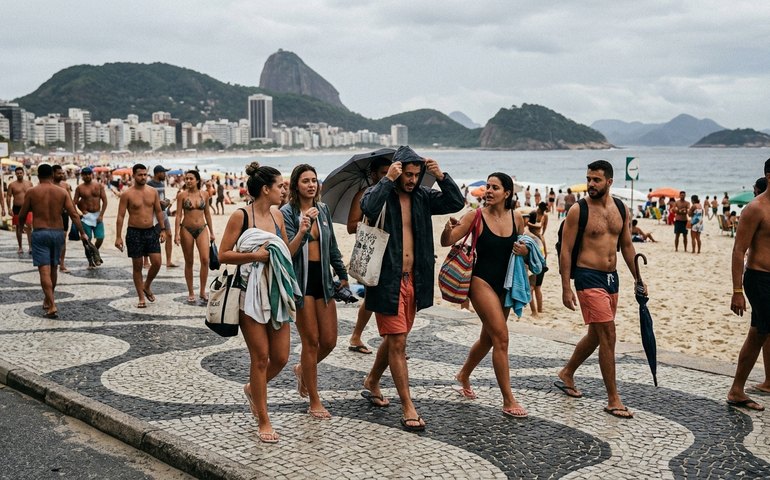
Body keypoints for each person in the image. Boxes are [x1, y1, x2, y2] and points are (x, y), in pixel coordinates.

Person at [360, 146, 464, 432]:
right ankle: (408, 406)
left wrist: (441, 176)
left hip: (413, 280)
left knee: (397, 338)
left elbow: (456, 201)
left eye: (417, 175)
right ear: (397, 171)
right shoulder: (383, 195)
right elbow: (366, 207)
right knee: (398, 342)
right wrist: (386, 181)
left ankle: (371, 380)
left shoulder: (422, 197)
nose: (413, 180)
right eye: (408, 174)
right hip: (387, 280)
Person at [556, 160, 646, 419]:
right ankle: (613, 399)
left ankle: (567, 373)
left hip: (611, 278)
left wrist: (638, 278)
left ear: (609, 181)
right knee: (608, 333)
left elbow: (627, 245)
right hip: (587, 276)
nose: (591, 184)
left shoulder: (620, 208)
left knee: (597, 335)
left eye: (596, 180)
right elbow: (566, 250)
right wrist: (565, 287)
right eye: (589, 179)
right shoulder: (578, 210)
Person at [441, 172, 529, 417]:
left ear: (507, 193)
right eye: (488, 186)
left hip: (506, 283)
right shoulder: (475, 216)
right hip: (481, 281)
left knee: (489, 338)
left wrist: (523, 250)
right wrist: (447, 230)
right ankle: (508, 399)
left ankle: (463, 375)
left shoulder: (517, 218)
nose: (489, 191)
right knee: (501, 337)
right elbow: (447, 241)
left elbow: (524, 247)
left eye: (495, 187)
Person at [217, 162, 293, 443]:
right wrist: (255, 256)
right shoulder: (241, 216)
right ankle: (263, 418)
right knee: (260, 358)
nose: (283, 190)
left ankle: (252, 389)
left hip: (276, 292)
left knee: (282, 357)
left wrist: (303, 233)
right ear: (265, 189)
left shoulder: (277, 216)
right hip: (249, 294)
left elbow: (285, 252)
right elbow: (223, 254)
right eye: (279, 186)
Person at [281, 164, 349, 419]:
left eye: (314, 180)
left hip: (323, 279)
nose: (311, 184)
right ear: (295, 185)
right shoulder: (286, 213)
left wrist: (341, 273)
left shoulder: (323, 209)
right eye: (306, 180)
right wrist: (303, 228)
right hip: (301, 281)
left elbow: (331, 245)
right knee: (310, 342)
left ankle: (302, 370)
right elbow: (288, 251)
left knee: (329, 341)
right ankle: (314, 399)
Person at [17, 164, 88, 318]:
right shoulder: (62, 192)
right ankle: (49, 299)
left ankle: (52, 304)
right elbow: (74, 214)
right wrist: (83, 233)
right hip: (57, 233)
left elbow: (22, 214)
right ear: (51, 175)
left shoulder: (32, 192)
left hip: (40, 232)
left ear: (38, 175)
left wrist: (21, 228)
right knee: (54, 268)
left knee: (44, 270)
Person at [727, 159, 770, 411]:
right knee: (758, 332)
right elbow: (738, 250)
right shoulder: (756, 208)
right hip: (759, 278)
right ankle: (736, 390)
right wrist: (737, 291)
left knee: (763, 331)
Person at [346, 157, 392, 354]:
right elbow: (350, 226)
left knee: (380, 297)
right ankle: (363, 337)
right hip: (373, 252)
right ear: (373, 174)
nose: (389, 176)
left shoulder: (396, 193)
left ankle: (390, 340)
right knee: (375, 297)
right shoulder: (363, 194)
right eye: (384, 173)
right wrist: (369, 220)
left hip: (392, 250)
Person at [115, 164, 166, 308]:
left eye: (145, 174)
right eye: (140, 175)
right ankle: (141, 297)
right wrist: (118, 236)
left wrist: (162, 229)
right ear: (134, 176)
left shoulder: (153, 192)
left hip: (150, 230)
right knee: (137, 266)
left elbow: (158, 211)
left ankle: (147, 285)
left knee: (157, 262)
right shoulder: (127, 194)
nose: (143, 177)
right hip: (134, 232)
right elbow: (120, 216)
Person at [174, 170, 215, 305]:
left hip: (202, 228)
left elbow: (207, 213)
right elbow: (178, 215)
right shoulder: (182, 195)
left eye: (191, 178)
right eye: (186, 179)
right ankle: (191, 291)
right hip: (186, 229)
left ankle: (202, 291)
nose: (188, 181)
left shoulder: (205, 194)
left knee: (205, 259)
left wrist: (212, 231)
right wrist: (176, 233)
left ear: (197, 180)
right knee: (189, 261)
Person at [73, 167, 108, 268]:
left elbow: (105, 201)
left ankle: (94, 253)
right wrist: (79, 213)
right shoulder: (80, 188)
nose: (87, 176)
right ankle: (90, 261)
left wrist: (101, 214)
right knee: (86, 241)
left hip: (97, 215)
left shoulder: (99, 186)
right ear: (82, 176)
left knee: (100, 238)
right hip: (86, 217)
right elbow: (73, 203)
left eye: (89, 174)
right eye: (85, 174)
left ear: (92, 175)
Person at [147, 166, 177, 268]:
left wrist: (166, 201)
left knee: (169, 235)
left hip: (163, 212)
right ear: (158, 173)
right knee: (150, 237)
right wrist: (157, 202)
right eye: (163, 172)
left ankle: (168, 261)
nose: (165, 175)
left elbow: (162, 198)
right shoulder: (149, 184)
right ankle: (145, 261)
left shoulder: (161, 184)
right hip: (153, 214)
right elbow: (146, 198)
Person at [7, 166, 33, 254]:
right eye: (17, 173)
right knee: (19, 227)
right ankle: (20, 247)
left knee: (29, 226)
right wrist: (9, 208)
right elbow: (8, 196)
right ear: (15, 174)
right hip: (17, 208)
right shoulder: (12, 185)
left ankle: (30, 247)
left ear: (23, 173)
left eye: (20, 173)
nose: (19, 175)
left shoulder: (29, 184)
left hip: (28, 207)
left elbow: (33, 195)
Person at [52, 165, 73, 273]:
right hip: (51, 215)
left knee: (63, 239)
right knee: (52, 239)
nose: (61, 175)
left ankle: (62, 263)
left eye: (62, 173)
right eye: (59, 173)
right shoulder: (48, 186)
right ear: (53, 174)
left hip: (64, 215)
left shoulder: (65, 186)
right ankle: (52, 262)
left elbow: (70, 201)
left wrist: (75, 214)